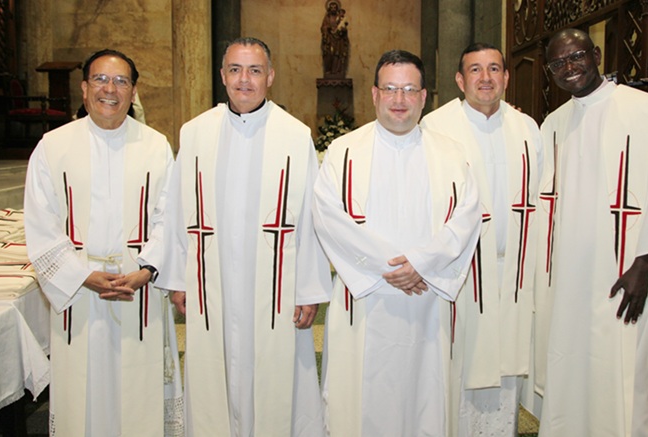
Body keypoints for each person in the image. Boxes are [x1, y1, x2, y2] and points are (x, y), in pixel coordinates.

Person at [161, 37, 331, 437]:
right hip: (212, 282)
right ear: (223, 76)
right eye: (235, 70)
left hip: (273, 287)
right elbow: (176, 209)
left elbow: (311, 216)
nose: (244, 80)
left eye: (255, 70)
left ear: (270, 77)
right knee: (213, 375)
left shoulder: (294, 135)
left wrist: (307, 288)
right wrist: (181, 278)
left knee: (275, 374)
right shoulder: (195, 133)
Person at [313, 49, 482, 436]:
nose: (399, 99)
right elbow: (328, 218)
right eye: (390, 89)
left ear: (425, 97)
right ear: (374, 95)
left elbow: (467, 218)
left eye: (409, 89)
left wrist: (421, 264)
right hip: (364, 299)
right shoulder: (343, 152)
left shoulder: (452, 154)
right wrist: (394, 270)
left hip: (427, 301)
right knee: (357, 405)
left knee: (426, 400)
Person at [534, 29, 648, 437]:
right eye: (558, 63)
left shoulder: (641, 110)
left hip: (623, 274)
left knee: (621, 372)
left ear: (596, 54)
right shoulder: (553, 124)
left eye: (577, 56)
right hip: (569, 281)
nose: (569, 68)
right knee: (573, 365)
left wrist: (644, 264)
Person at [24, 49, 182, 436]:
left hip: (138, 292)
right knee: (83, 395)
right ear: (83, 88)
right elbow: (40, 221)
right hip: (79, 293)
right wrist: (82, 275)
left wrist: (147, 270)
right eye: (100, 79)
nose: (110, 89)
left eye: (121, 81)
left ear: (133, 92)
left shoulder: (155, 145)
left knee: (138, 392)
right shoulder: (52, 146)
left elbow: (170, 217)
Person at [421, 42, 543, 437]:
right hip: (461, 274)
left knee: (507, 365)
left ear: (507, 77)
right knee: (459, 365)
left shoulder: (527, 127)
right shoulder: (435, 127)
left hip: (514, 275)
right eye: (475, 70)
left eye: (494, 69)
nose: (486, 78)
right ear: (460, 80)